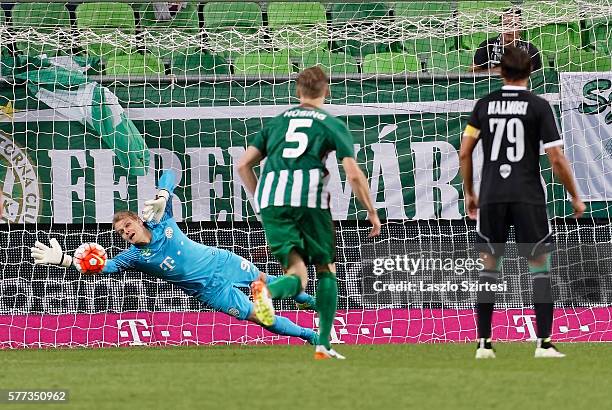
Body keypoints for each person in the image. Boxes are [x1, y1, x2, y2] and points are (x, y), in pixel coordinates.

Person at [30, 170, 319, 346]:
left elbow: (170, 171)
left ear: (138, 220)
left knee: (266, 285)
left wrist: (163, 195)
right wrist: (65, 260)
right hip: (209, 291)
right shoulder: (134, 257)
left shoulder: (161, 220)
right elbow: (105, 267)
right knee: (262, 317)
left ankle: (305, 299)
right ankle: (310, 335)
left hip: (221, 262)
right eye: (120, 233)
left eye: (127, 226)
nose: (125, 233)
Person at [238, 66, 381, 360]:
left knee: (297, 276)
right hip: (309, 200)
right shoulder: (330, 123)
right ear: (325, 91)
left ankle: (267, 292)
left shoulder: (276, 123)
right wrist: (371, 210)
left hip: (272, 202)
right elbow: (352, 173)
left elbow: (243, 166)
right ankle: (323, 344)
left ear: (297, 92)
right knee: (325, 269)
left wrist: (263, 203)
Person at [460, 46, 585, 359]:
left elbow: (464, 152)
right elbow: (556, 158)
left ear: (500, 71)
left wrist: (469, 192)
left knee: (489, 267)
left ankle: (484, 344)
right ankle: (543, 343)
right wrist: (574, 195)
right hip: (528, 195)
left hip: (492, 195)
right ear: (531, 71)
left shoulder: (484, 105)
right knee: (539, 268)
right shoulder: (539, 106)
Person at [472, 7, 542, 73]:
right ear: (500, 27)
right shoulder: (487, 46)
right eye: (505, 25)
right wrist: (500, 71)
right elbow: (472, 73)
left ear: (520, 28)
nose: (509, 29)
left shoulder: (530, 50)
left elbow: (537, 78)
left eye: (514, 25)